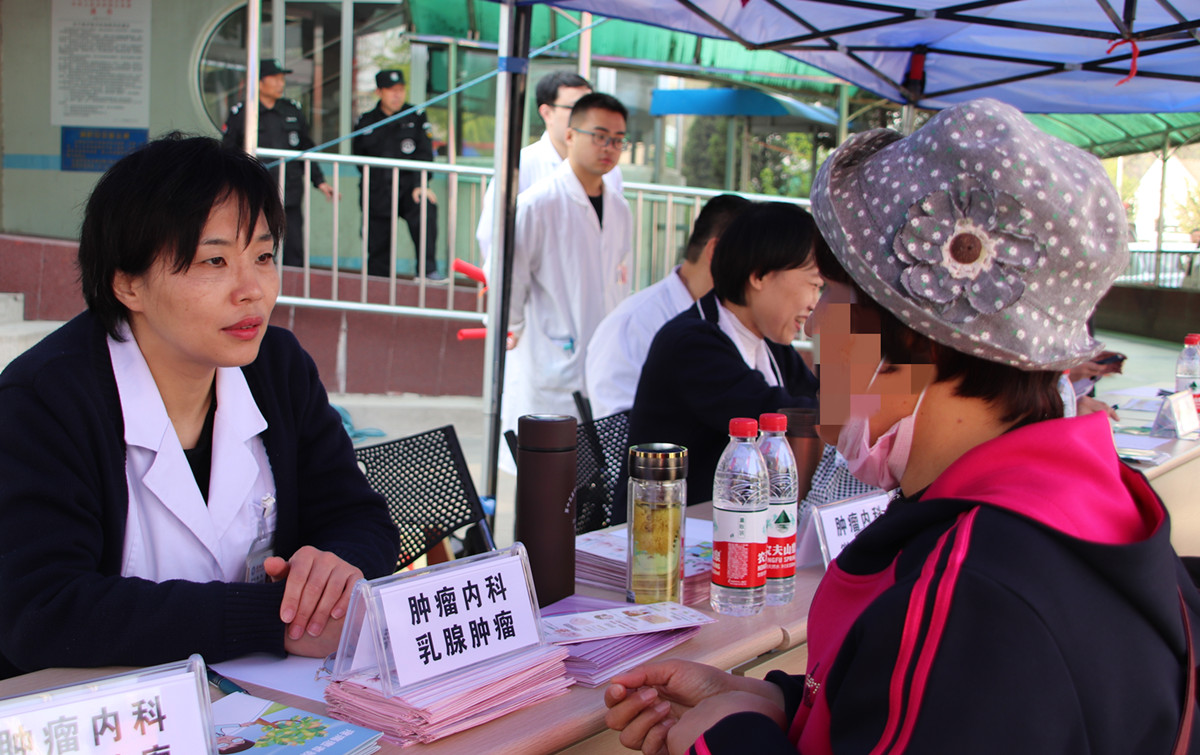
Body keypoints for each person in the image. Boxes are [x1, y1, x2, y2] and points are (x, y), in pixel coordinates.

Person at [603, 99, 1200, 754]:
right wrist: (781, 701)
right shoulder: (1087, 505)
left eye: (831, 303)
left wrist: (726, 740)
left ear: (916, 340)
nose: (816, 330)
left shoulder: (972, 596)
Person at [0, 134, 400, 679]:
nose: (252, 289)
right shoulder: (44, 402)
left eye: (263, 256)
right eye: (215, 260)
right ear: (128, 284)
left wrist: (337, 573)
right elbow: (42, 610)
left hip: (259, 698)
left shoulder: (277, 366)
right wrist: (272, 619)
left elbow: (359, 517)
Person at [625, 202, 821, 507]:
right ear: (759, 275)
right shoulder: (691, 344)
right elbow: (778, 415)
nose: (814, 303)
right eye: (814, 285)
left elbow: (818, 402)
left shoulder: (772, 345)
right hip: (668, 524)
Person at [501, 92, 633, 468]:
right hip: (551, 357)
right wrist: (511, 327)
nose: (609, 148)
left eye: (618, 140)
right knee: (546, 476)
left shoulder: (620, 209)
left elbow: (620, 280)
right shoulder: (538, 203)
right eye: (600, 136)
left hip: (603, 359)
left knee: (595, 479)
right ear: (571, 135)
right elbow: (512, 280)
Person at [585, 194, 752, 419]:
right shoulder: (633, 325)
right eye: (756, 263)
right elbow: (618, 430)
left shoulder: (746, 326)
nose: (758, 278)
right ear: (716, 252)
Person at [475, 70, 624, 270]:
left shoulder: (609, 171)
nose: (588, 117)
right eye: (576, 108)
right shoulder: (521, 166)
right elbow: (491, 236)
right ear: (546, 113)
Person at [222, 58, 335, 267]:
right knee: (257, 246)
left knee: (293, 247)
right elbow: (228, 152)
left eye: (282, 79)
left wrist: (319, 181)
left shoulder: (292, 110)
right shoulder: (244, 112)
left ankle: (293, 286)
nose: (280, 84)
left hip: (289, 191)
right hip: (255, 193)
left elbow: (305, 148)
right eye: (274, 79)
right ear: (259, 82)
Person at [352, 69, 442, 280]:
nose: (397, 95)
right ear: (379, 92)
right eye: (391, 90)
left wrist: (420, 184)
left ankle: (428, 271)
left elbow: (425, 154)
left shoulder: (416, 116)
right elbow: (359, 159)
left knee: (425, 209)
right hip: (379, 190)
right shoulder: (366, 121)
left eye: (401, 90)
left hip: (410, 187)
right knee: (378, 247)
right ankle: (378, 285)